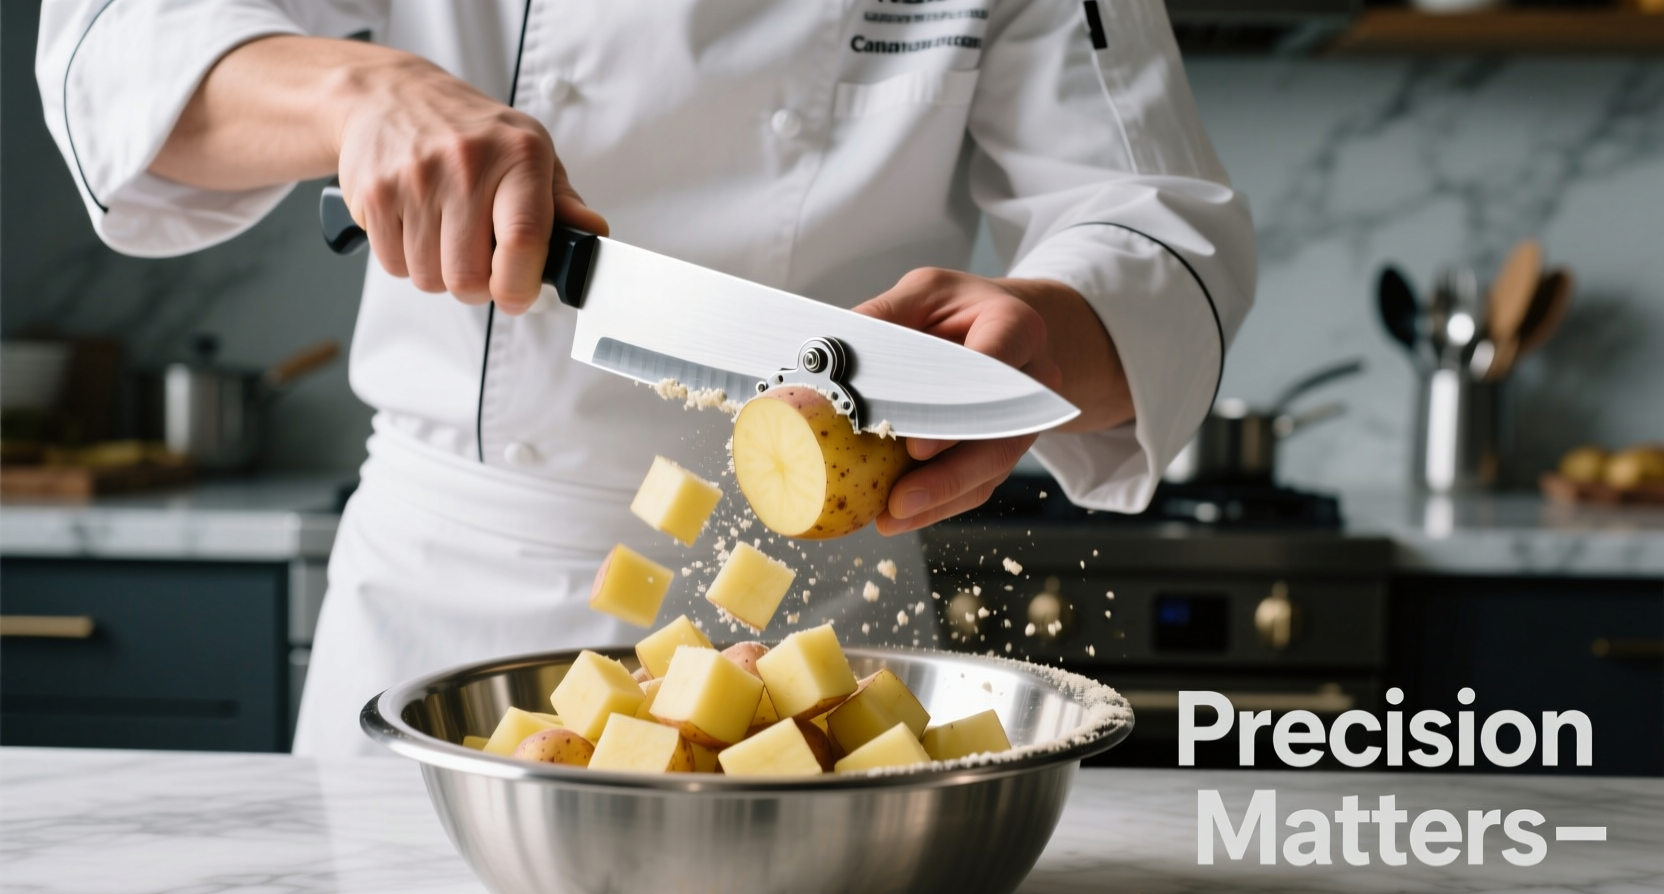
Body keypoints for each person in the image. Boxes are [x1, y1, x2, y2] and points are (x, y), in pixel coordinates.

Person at [37, 0, 1255, 757]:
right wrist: (363, 94)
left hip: (817, 639)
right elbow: (116, 48)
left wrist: (1048, 329)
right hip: (451, 622)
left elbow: (1156, 223)